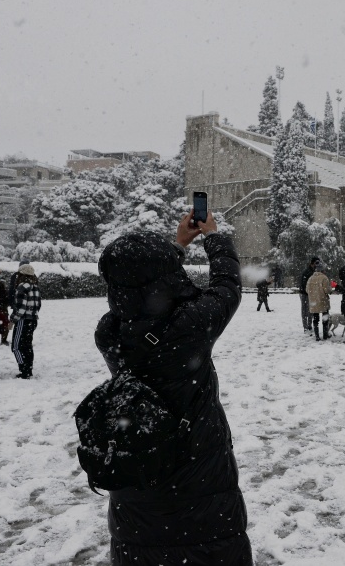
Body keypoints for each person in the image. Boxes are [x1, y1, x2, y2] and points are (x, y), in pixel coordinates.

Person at [94, 210, 253, 565]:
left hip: (137, 494)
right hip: (201, 483)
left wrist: (176, 247)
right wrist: (213, 237)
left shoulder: (109, 332)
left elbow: (140, 289)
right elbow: (227, 286)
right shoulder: (190, 325)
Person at [9, 264, 41, 379]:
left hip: (23, 321)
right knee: (27, 346)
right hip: (33, 320)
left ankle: (24, 369)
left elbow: (20, 309)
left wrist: (12, 320)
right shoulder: (35, 287)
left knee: (16, 346)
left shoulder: (22, 287)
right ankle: (29, 369)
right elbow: (38, 306)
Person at [306, 262, 332, 341]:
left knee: (315, 319)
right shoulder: (324, 278)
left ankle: (317, 336)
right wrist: (330, 290)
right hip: (322, 300)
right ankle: (325, 335)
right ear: (322, 270)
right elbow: (327, 290)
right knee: (325, 318)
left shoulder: (310, 278)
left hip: (313, 302)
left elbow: (307, 290)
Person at [298, 257, 320, 333]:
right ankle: (305, 327)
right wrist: (309, 291)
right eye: (316, 263)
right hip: (305, 293)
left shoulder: (313, 271)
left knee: (311, 310)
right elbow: (304, 284)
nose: (317, 265)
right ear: (312, 263)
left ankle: (309, 326)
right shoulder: (307, 272)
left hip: (310, 293)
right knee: (305, 310)